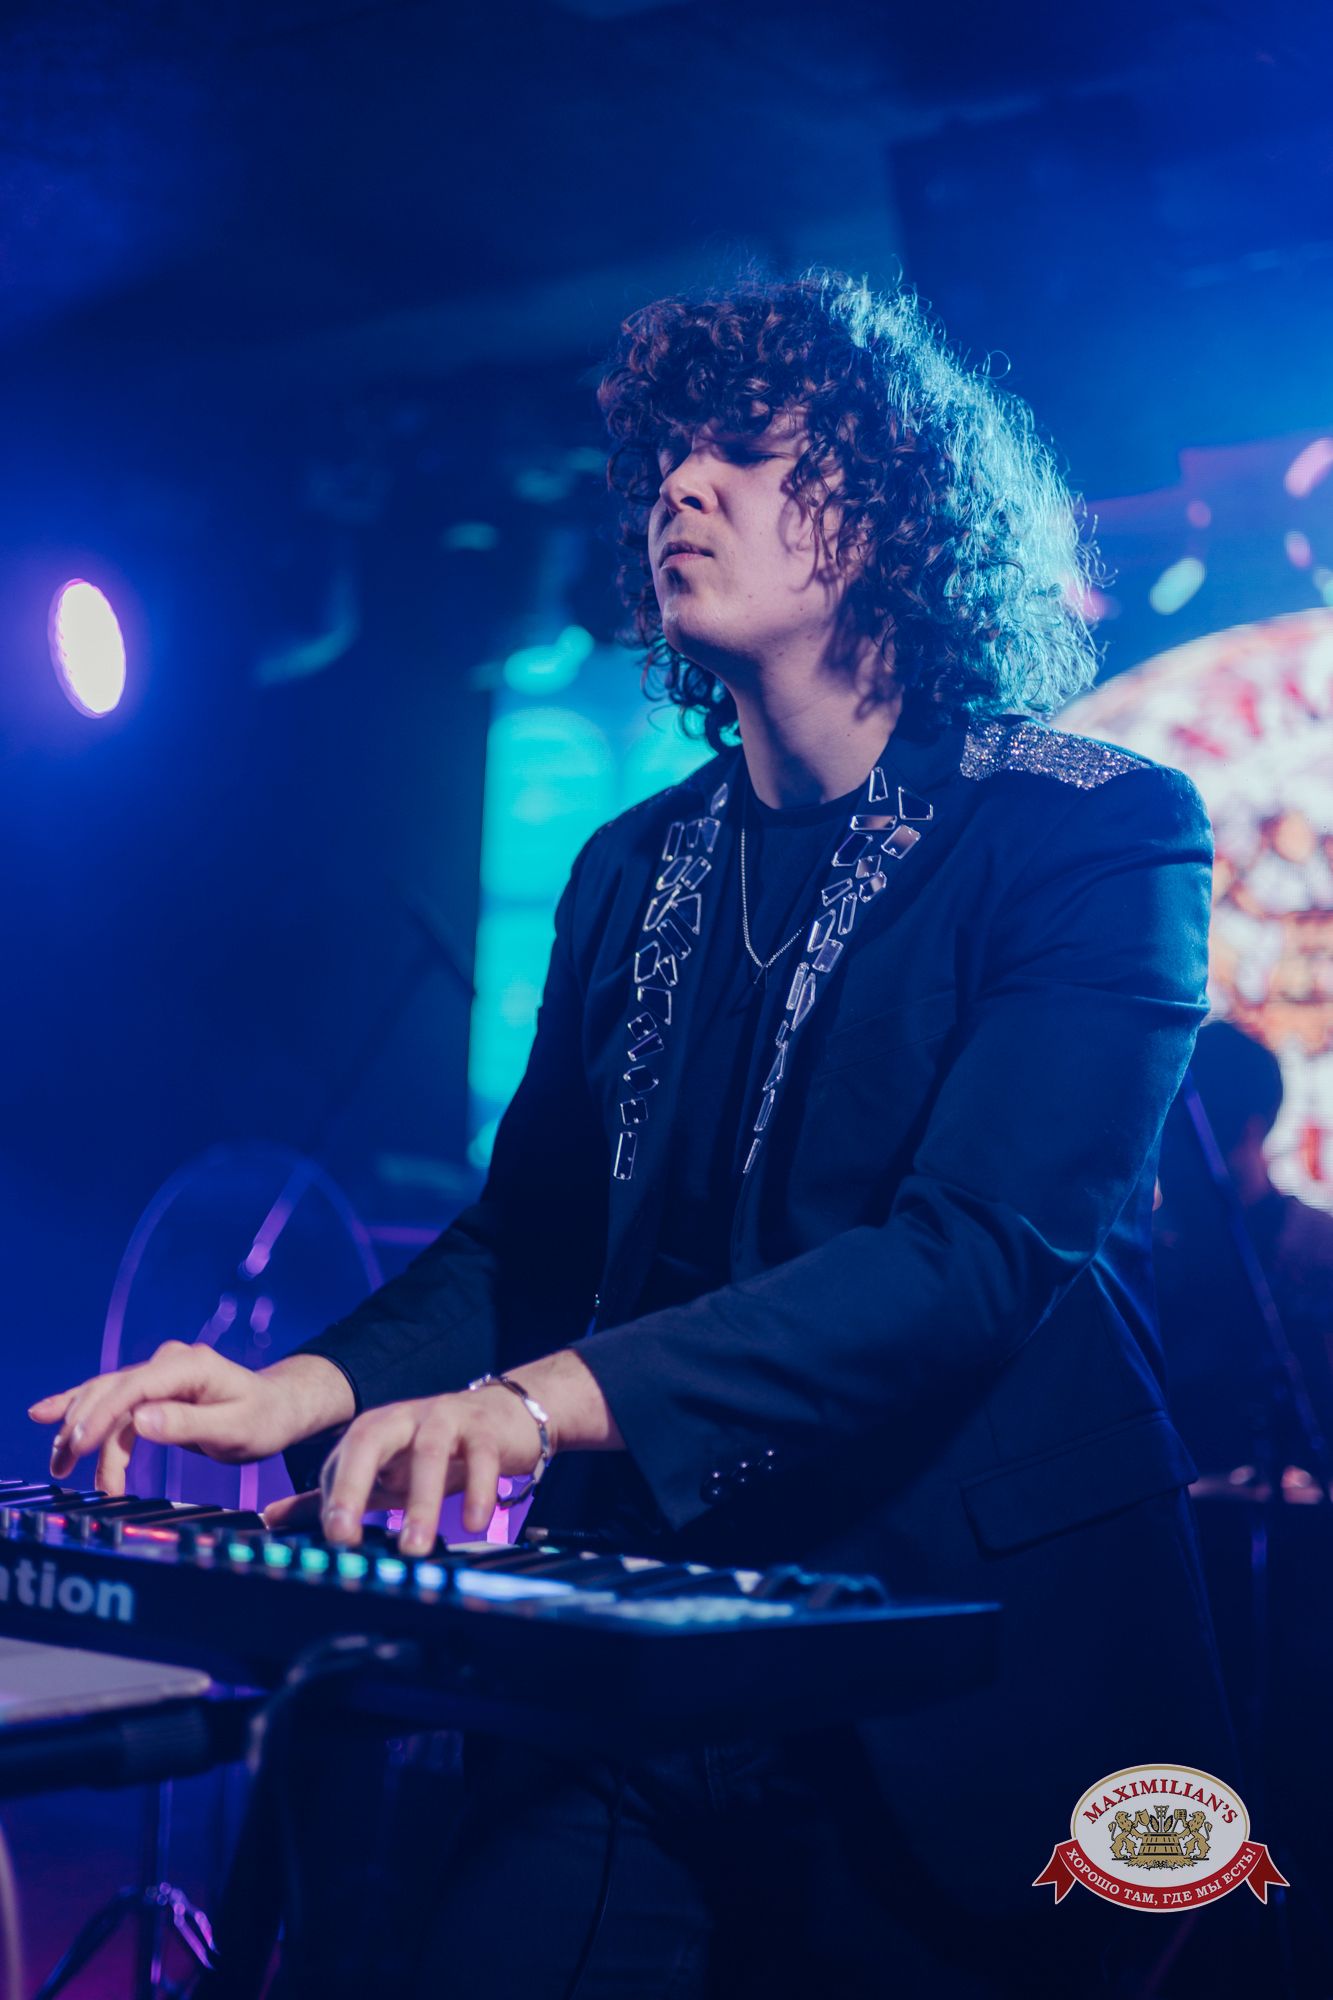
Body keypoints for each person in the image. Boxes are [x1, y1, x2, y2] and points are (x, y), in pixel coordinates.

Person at [29, 273, 1261, 1996]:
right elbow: (518, 1240)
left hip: (967, 1673)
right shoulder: (631, 865)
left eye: (746, 449)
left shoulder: (1092, 828)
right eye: (673, 455)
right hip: (645, 1648)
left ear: (885, 504)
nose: (682, 482)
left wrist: (531, 1406)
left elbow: (969, 1257)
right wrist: (298, 1390)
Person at [1154, 1017, 1333, 1469]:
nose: (1164, 1158)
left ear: (1250, 1130)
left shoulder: (1321, 1249)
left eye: (1177, 1136)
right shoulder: (1145, 1258)